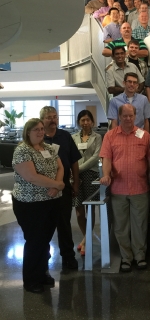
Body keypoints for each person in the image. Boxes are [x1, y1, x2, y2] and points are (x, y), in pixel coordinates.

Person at [12, 118, 65, 293]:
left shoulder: (48, 148)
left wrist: (57, 184)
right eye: (36, 129)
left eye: (42, 129)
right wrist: (56, 185)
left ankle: (43, 273)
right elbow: (31, 177)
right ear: (28, 132)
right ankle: (31, 280)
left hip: (51, 200)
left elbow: (60, 167)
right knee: (35, 241)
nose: (40, 132)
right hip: (30, 203)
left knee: (45, 240)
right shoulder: (22, 150)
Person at [99, 104, 150, 272]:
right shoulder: (110, 136)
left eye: (131, 115)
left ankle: (140, 256)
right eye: (125, 116)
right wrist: (106, 174)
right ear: (119, 117)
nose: (128, 119)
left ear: (136, 116)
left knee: (140, 224)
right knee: (121, 225)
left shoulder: (144, 136)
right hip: (118, 188)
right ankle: (126, 257)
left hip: (140, 187)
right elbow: (106, 158)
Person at [40, 106, 81, 270]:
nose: (53, 120)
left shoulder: (65, 136)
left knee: (64, 222)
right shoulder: (38, 136)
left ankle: (68, 256)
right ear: (42, 119)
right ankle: (44, 257)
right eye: (49, 117)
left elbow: (74, 161)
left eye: (55, 116)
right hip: (42, 187)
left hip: (63, 184)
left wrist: (76, 182)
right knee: (44, 224)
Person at [71, 110, 102, 257]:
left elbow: (96, 156)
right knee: (78, 209)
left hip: (91, 174)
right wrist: (75, 172)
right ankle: (86, 236)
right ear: (79, 122)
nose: (85, 123)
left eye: (88, 120)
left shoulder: (97, 137)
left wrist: (79, 169)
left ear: (92, 122)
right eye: (82, 120)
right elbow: (71, 155)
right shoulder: (73, 137)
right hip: (75, 177)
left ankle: (86, 240)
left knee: (90, 208)